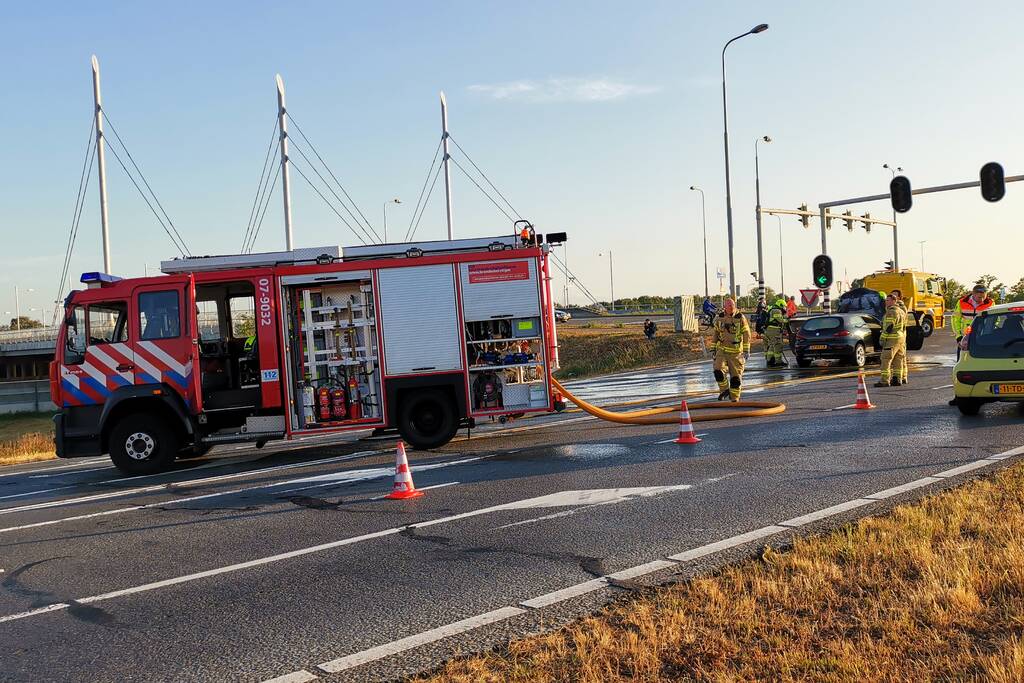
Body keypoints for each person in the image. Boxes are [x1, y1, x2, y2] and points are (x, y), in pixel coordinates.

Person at [711, 298, 751, 401]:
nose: (732, 308)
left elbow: (746, 334)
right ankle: (724, 390)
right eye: (729, 306)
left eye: (733, 306)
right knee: (718, 370)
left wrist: (746, 350)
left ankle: (734, 399)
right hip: (722, 351)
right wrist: (713, 348)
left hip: (736, 353)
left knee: (735, 379)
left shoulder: (740, 318)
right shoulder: (720, 318)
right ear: (725, 307)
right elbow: (715, 333)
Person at [876, 293, 907, 388]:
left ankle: (884, 381)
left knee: (885, 360)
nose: (886, 302)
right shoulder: (901, 311)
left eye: (888, 300)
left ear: (894, 301)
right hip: (900, 339)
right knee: (898, 360)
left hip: (891, 339)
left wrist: (882, 338)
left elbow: (889, 326)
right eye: (886, 300)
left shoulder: (891, 312)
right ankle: (897, 379)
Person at [890, 289, 910, 385]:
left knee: (901, 357)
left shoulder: (901, 308)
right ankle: (901, 377)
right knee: (899, 357)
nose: (893, 296)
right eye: (892, 295)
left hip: (901, 334)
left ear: (899, 297)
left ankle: (903, 377)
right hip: (900, 334)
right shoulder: (895, 307)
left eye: (895, 295)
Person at [763, 298, 788, 367]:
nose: (785, 308)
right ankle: (778, 362)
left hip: (770, 330)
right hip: (774, 330)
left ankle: (770, 360)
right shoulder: (777, 310)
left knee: (771, 345)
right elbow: (780, 320)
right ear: (781, 305)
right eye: (784, 306)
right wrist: (788, 320)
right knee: (777, 345)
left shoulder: (773, 309)